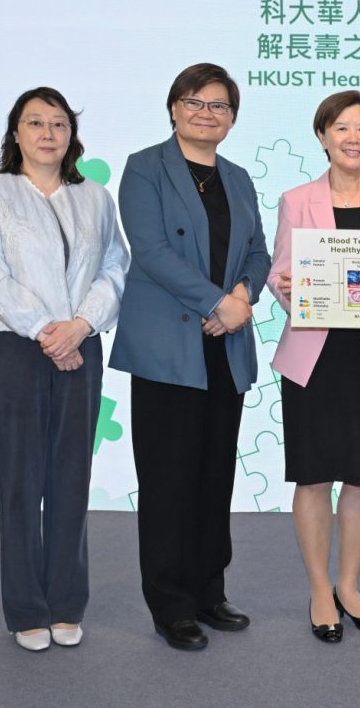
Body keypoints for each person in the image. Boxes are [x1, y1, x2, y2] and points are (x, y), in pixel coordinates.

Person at [108, 64, 270, 651]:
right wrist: (216, 302)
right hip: (168, 348)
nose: (208, 113)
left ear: (232, 116)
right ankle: (171, 603)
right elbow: (149, 251)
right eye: (195, 102)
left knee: (213, 475)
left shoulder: (240, 177)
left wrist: (244, 296)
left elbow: (258, 249)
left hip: (224, 350)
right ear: (174, 107)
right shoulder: (145, 168)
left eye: (220, 105)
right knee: (168, 478)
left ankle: (209, 590)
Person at [0, 87, 129, 651]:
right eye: (34, 122)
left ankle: (66, 601)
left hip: (81, 349)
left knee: (70, 478)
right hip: (18, 349)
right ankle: (25, 608)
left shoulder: (94, 196)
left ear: (71, 135)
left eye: (57, 124)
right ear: (15, 133)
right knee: (19, 481)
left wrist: (80, 326)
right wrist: (46, 330)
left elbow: (115, 267)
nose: (46, 133)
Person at [267, 91, 360, 643]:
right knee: (312, 475)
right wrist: (289, 291)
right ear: (323, 136)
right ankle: (317, 589)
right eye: (342, 128)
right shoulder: (295, 199)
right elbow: (280, 274)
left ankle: (349, 587)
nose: (354, 138)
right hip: (314, 355)